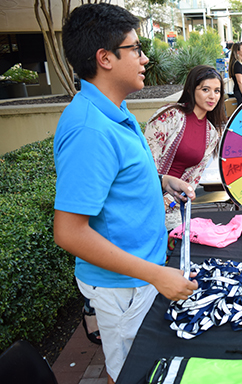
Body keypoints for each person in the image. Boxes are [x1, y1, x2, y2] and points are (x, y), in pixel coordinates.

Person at [53, 4, 198, 384]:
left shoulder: (113, 109)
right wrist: (155, 275)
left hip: (139, 277)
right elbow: (69, 231)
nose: (145, 57)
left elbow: (119, 178)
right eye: (135, 48)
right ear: (105, 58)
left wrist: (162, 180)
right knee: (131, 373)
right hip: (123, 287)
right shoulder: (90, 129)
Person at [144, 65, 226, 230]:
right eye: (205, 89)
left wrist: (168, 203)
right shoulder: (170, 115)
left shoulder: (212, 133)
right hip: (143, 197)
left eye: (217, 91)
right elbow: (146, 160)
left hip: (173, 208)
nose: (212, 96)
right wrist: (157, 202)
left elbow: (192, 180)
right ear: (190, 90)